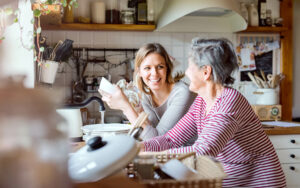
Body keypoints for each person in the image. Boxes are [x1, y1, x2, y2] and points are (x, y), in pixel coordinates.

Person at [140, 38, 286, 187]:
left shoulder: (229, 101)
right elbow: (171, 140)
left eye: (190, 66)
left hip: (259, 182)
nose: (186, 72)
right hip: (230, 179)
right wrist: (141, 148)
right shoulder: (201, 102)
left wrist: (153, 157)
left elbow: (203, 150)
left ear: (206, 72)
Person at [99, 43, 196, 142]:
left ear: (167, 68)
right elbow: (149, 131)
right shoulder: (146, 94)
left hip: (191, 154)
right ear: (139, 72)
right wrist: (137, 110)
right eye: (147, 68)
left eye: (160, 67)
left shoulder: (182, 93)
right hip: (167, 153)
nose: (154, 73)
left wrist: (125, 107)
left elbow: (157, 140)